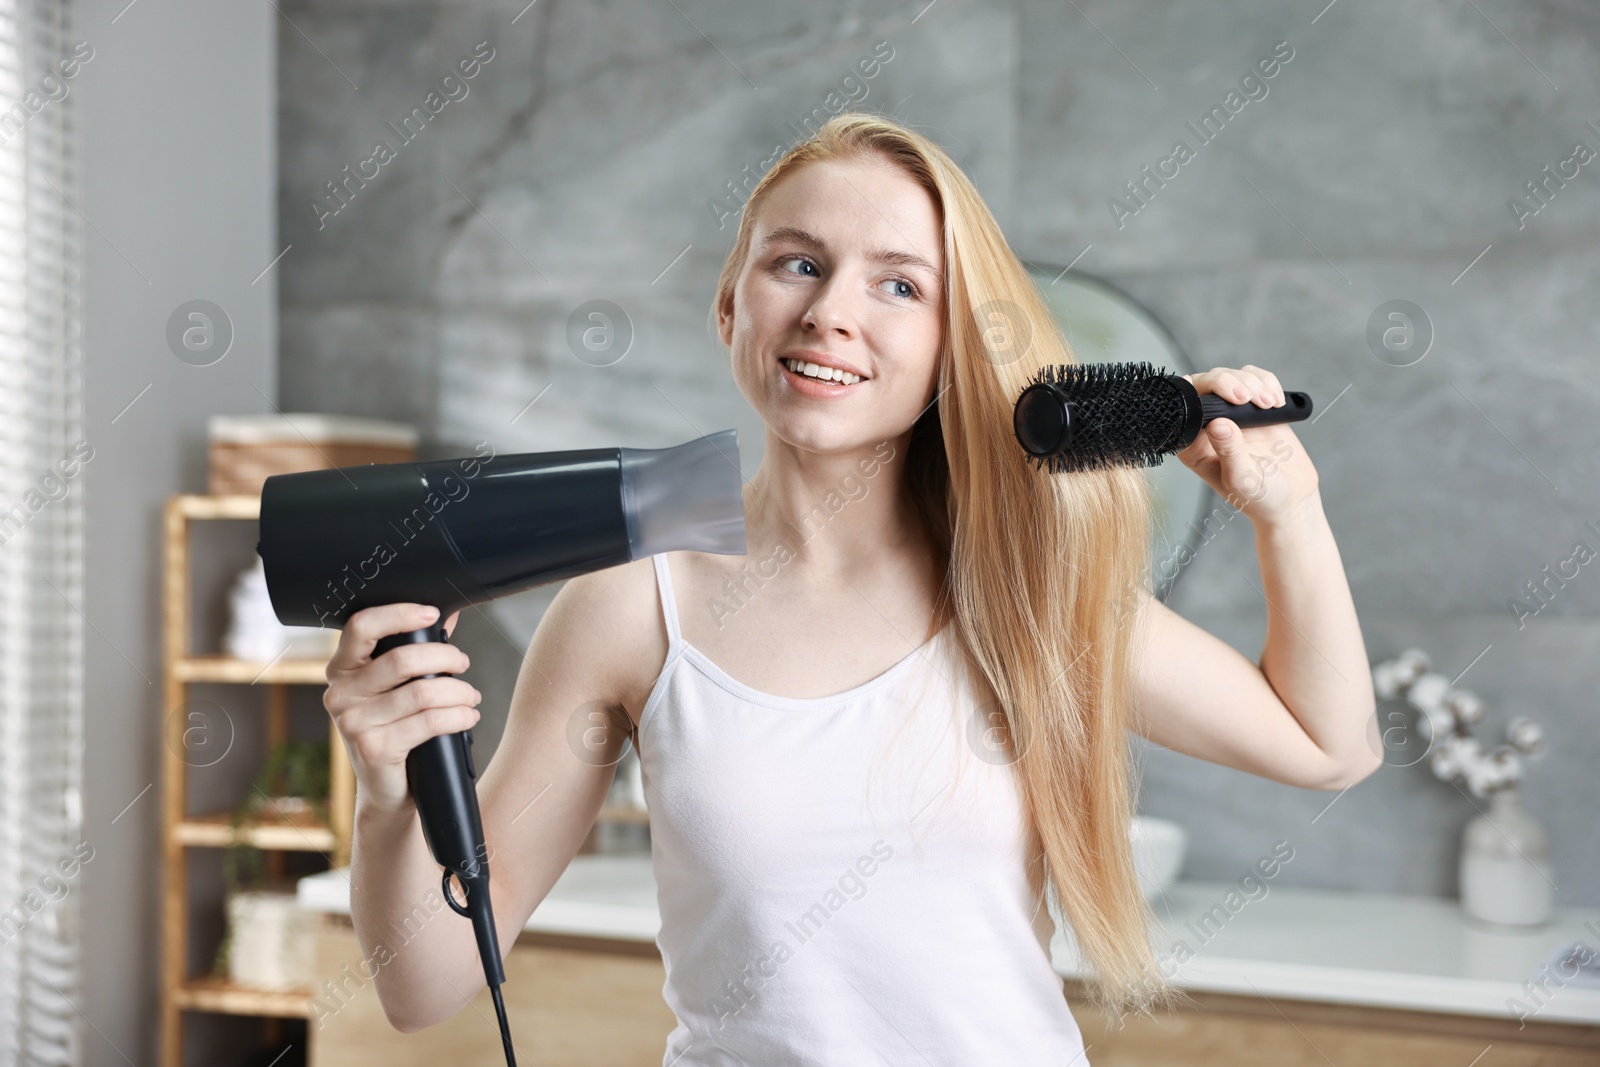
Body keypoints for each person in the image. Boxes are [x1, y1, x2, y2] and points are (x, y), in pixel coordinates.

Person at [321, 113, 1379, 1063]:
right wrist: (382, 795)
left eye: (899, 283)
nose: (832, 312)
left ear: (948, 347)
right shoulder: (630, 610)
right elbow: (425, 986)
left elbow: (1328, 742)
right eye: (798, 263)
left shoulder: (1023, 590)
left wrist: (1288, 511)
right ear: (731, 304)